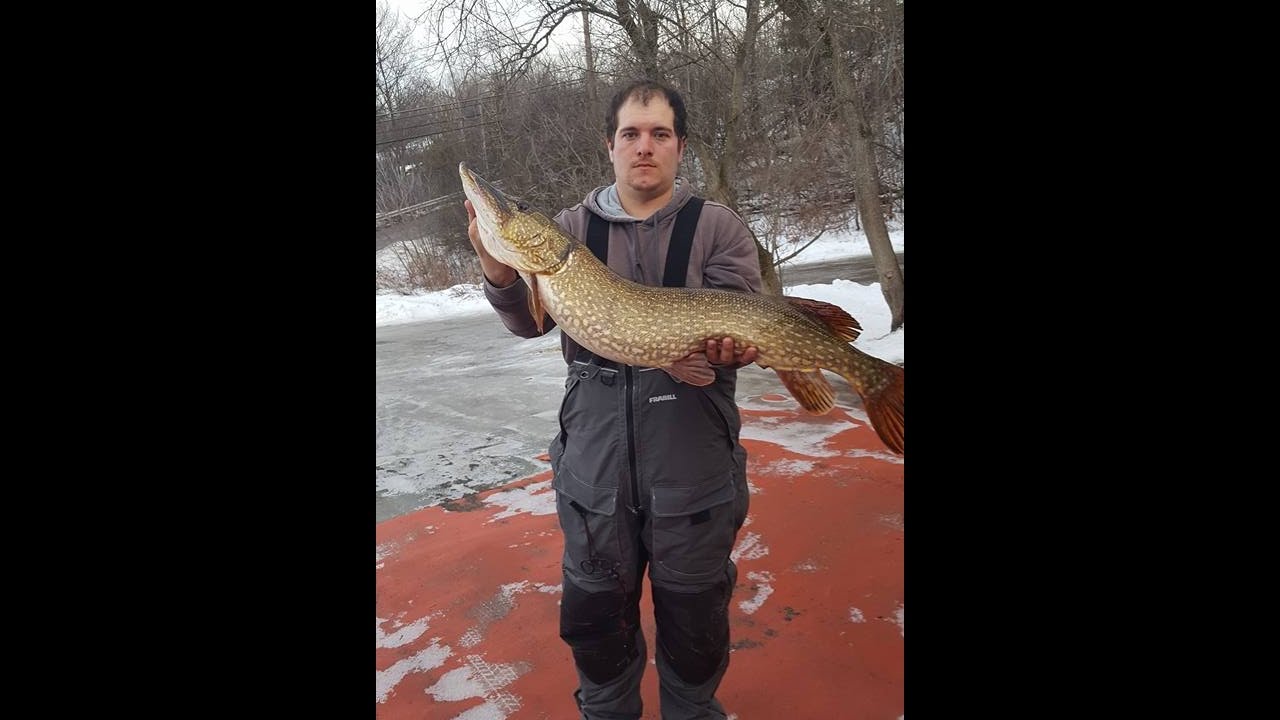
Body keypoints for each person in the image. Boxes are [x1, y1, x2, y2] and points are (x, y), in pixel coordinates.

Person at [465, 79, 762, 720]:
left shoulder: (718, 228)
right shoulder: (568, 231)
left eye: (660, 134)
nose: (644, 147)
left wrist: (726, 348)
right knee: (597, 624)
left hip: (693, 468)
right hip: (595, 470)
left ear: (680, 147)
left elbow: (738, 311)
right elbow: (530, 322)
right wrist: (498, 268)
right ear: (610, 146)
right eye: (631, 134)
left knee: (694, 620)